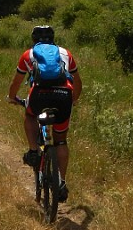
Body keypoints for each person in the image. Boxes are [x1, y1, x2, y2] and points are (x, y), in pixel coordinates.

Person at [6, 25, 82, 202]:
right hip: (64, 96)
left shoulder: (28, 54)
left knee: (30, 114)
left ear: (34, 39)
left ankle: (34, 151)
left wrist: (12, 98)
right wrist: (74, 99)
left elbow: (16, 82)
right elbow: (78, 82)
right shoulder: (65, 53)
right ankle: (61, 182)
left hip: (39, 95)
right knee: (61, 140)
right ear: (53, 38)